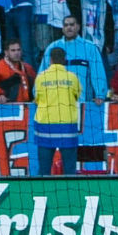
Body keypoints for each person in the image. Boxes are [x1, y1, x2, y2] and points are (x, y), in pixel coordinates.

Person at [32, 43, 83, 176]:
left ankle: (43, 195)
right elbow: (77, 95)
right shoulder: (72, 77)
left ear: (50, 60)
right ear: (64, 59)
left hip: (45, 125)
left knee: (44, 169)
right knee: (70, 168)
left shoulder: (41, 77)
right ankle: (69, 195)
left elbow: (37, 98)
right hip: (67, 125)